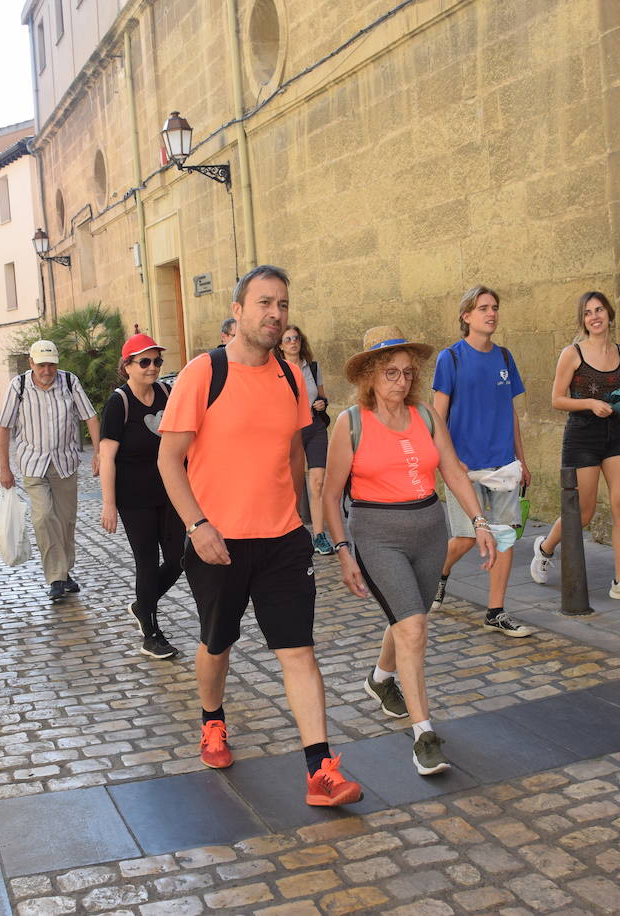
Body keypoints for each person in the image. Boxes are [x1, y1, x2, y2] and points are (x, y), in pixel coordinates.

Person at [158, 264, 363, 808]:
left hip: (281, 540)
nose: (276, 314)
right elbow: (169, 459)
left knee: (298, 651)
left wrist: (295, 513)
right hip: (217, 543)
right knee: (216, 642)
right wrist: (197, 526)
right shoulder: (204, 374)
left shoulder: (292, 377)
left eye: (284, 306)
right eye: (265, 304)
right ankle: (213, 720)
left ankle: (321, 769)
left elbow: (295, 451)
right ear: (239, 310)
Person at [323, 327, 497, 776]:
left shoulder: (426, 417)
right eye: (389, 373)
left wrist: (479, 522)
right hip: (378, 533)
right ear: (369, 376)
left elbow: (455, 473)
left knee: (409, 619)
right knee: (414, 627)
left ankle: (380, 679)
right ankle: (424, 735)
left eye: (406, 373)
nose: (400, 381)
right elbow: (329, 494)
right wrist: (344, 551)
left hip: (429, 529)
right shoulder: (351, 423)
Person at [530, 291, 620, 604]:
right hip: (582, 435)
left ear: (610, 315)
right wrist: (591, 404)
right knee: (583, 512)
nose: (594, 317)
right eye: (587, 313)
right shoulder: (573, 354)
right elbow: (556, 399)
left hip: (617, 435)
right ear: (583, 321)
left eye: (599, 310)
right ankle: (545, 548)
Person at [429, 286, 533, 637]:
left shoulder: (505, 357)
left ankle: (496, 611)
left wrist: (522, 459)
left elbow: (511, 413)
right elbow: (437, 417)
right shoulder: (451, 358)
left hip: (503, 464)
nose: (491, 313)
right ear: (466, 316)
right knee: (468, 537)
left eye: (495, 307)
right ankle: (439, 574)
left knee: (503, 538)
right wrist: (444, 462)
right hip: (463, 468)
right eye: (483, 308)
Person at [100, 333, 183, 660]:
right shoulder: (118, 403)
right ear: (127, 366)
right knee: (146, 561)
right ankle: (151, 633)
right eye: (145, 362)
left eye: (157, 361)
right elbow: (106, 456)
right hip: (133, 496)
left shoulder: (166, 393)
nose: (152, 368)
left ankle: (141, 604)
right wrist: (108, 503)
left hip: (169, 490)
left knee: (180, 557)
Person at [0, 340, 101, 602]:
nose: (47, 370)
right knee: (43, 517)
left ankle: (65, 571)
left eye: (51, 365)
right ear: (31, 363)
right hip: (33, 464)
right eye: (41, 365)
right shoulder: (18, 387)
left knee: (66, 521)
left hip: (65, 463)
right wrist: (4, 468)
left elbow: (90, 416)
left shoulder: (69, 382)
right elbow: (4, 427)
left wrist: (99, 453)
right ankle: (55, 577)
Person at [277, 325, 334, 555]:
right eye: (288, 339)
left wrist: (322, 403)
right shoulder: (276, 369)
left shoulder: (312, 367)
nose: (293, 342)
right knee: (293, 484)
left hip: (315, 427)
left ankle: (319, 535)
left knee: (318, 481)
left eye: (296, 338)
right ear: (280, 345)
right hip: (291, 431)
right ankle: (295, 531)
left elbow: (322, 396)